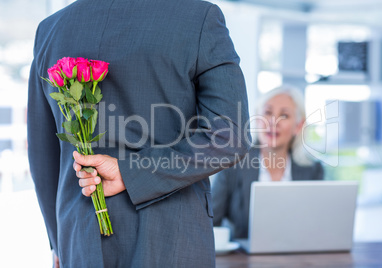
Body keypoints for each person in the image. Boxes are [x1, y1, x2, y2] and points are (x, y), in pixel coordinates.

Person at [27, 0, 251, 267]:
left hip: (78, 240)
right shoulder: (199, 18)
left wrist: (59, 243)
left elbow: (43, 155)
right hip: (171, 241)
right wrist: (132, 173)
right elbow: (229, 136)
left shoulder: (52, 28)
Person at [212, 85, 324, 239]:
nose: (273, 121)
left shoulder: (313, 170)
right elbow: (210, 223)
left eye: (284, 115)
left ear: (298, 126)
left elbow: (318, 227)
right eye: (268, 112)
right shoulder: (232, 164)